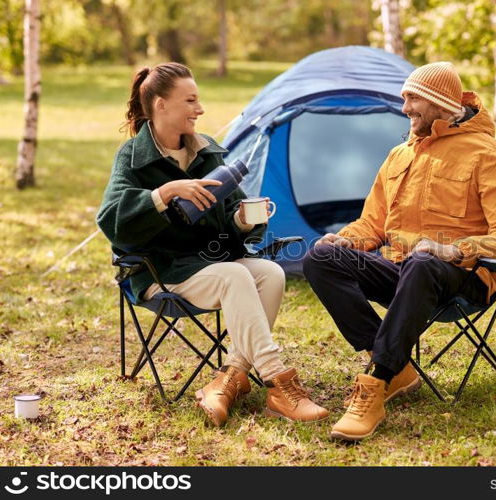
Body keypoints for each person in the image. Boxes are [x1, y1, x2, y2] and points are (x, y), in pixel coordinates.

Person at [303, 62, 496, 441]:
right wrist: (345, 240)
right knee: (321, 257)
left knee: (425, 260)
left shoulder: (487, 154)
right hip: (406, 274)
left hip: (465, 279)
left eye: (412, 98)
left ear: (441, 103)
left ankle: (378, 379)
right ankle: (397, 365)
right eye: (404, 98)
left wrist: (454, 250)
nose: (404, 107)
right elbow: (372, 225)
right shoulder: (398, 156)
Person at [97, 62, 328, 427]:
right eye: (190, 100)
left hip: (208, 263)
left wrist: (242, 220)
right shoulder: (132, 157)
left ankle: (229, 379)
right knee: (233, 276)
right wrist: (165, 193)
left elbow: (233, 219)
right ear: (161, 105)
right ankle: (280, 382)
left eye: (198, 100)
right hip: (162, 270)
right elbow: (110, 219)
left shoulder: (209, 154)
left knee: (270, 273)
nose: (199, 109)